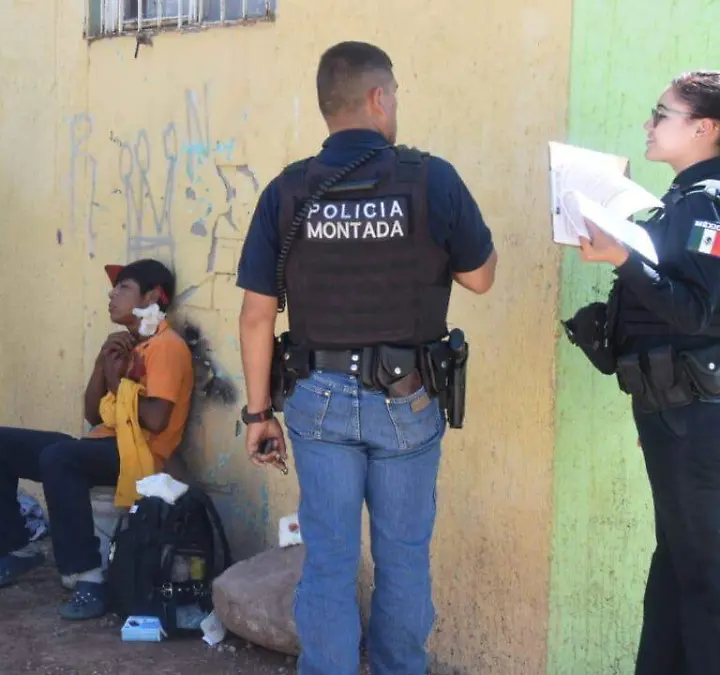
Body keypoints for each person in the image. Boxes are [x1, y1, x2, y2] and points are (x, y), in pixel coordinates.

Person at [235, 41, 498, 675]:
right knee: (403, 559)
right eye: (395, 94)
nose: (396, 104)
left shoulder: (286, 190)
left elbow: (255, 316)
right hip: (407, 398)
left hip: (317, 398)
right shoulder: (431, 179)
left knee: (328, 560)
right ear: (379, 98)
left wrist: (258, 414)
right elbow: (481, 278)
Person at [570, 70, 720, 675]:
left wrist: (622, 258)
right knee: (677, 571)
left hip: (696, 420)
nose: (648, 125)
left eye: (662, 114)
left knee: (704, 582)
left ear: (705, 128)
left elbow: (698, 310)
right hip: (675, 415)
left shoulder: (707, 203)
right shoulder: (683, 201)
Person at [0, 259, 194, 621]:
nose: (112, 295)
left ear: (152, 297)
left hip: (141, 454)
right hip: (105, 443)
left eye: (123, 288)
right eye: (114, 288)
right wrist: (102, 364)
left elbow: (156, 419)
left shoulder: (166, 346)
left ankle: (89, 578)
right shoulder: (126, 345)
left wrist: (117, 380)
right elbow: (93, 415)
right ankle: (15, 550)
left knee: (60, 458)